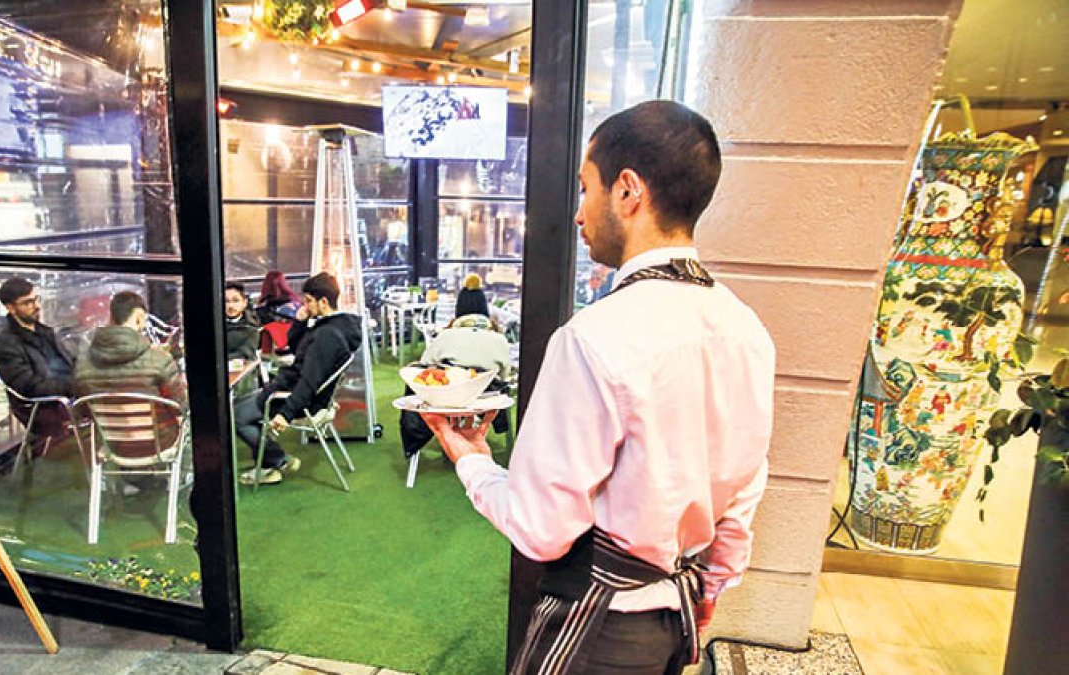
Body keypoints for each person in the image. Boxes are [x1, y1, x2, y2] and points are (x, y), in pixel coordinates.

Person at [422, 100, 775, 674]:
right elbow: (743, 490)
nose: (580, 215)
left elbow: (541, 531)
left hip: (601, 630)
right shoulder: (747, 328)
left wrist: (471, 459)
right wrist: (709, 588)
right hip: (675, 620)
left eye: (586, 188)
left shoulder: (595, 337)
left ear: (628, 191)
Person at [233, 272, 363, 486]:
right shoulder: (336, 326)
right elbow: (295, 348)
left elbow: (309, 382)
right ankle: (273, 461)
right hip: (296, 391)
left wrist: (286, 414)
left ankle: (276, 462)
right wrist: (301, 322)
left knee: (237, 416)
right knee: (241, 407)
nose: (304, 305)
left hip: (297, 398)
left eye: (308, 301)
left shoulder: (326, 336)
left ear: (323, 301)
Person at [74, 291, 187, 492]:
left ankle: (131, 480)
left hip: (111, 443)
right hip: (159, 443)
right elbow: (181, 405)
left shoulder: (83, 363)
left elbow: (83, 411)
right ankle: (178, 476)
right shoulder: (159, 359)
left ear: (112, 317)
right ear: (139, 318)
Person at [399, 282, 512, 458]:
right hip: (486, 399)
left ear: (459, 309)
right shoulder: (499, 339)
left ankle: (414, 442)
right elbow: (505, 375)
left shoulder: (446, 335)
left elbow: (425, 364)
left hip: (447, 397)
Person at [0, 277, 76, 443]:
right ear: (10, 308)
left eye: (36, 299)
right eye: (27, 302)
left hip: (69, 396)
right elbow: (31, 387)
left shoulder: (46, 333)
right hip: (47, 406)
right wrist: (73, 387)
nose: (37, 306)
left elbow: (70, 361)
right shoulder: (6, 347)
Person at [223, 282, 261, 362]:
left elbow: (244, 353)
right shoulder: (215, 326)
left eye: (236, 300)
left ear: (244, 303)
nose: (231, 306)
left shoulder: (251, 328)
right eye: (226, 301)